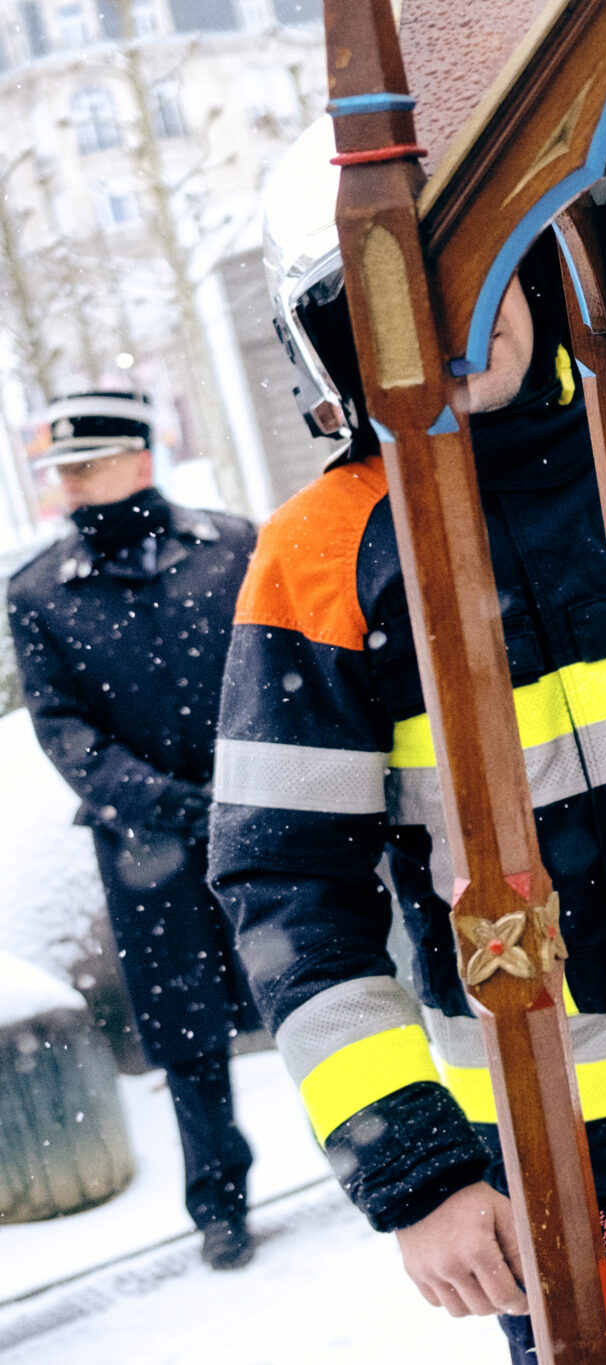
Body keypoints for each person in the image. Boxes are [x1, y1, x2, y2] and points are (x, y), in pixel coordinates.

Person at [210, 120, 606, 1361]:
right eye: (388, 305)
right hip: (550, 1169)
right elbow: (286, 886)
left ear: (529, 264)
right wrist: (415, 1174)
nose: (448, 331)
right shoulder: (318, 557)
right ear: (334, 341)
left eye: (467, 276)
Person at [7, 390, 262, 1271]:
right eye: (63, 469)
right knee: (188, 1037)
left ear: (142, 460)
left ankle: (371, 1160)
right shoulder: (38, 591)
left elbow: (273, 669)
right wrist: (161, 799)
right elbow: (62, 727)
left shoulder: (233, 547)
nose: (74, 481)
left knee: (311, 986)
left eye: (89, 462)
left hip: (257, 818)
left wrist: (248, 781)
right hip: (142, 846)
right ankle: (219, 1204)